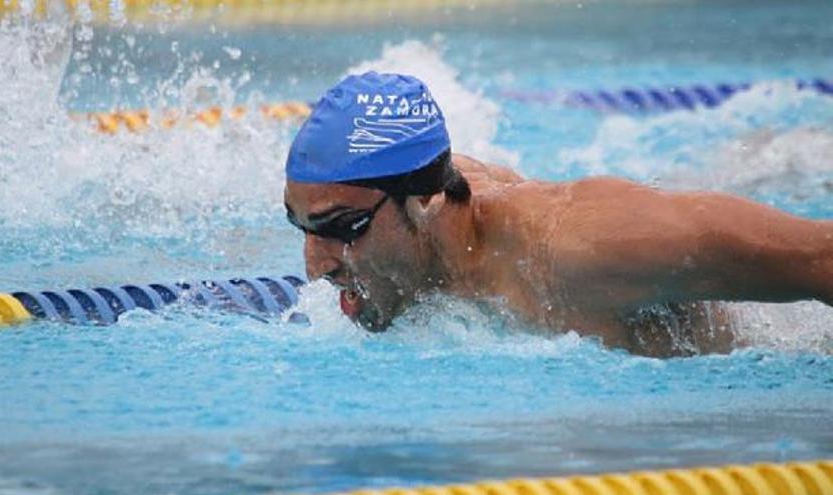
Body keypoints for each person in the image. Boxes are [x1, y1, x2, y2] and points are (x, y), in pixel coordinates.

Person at [283, 71, 833, 357]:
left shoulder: (581, 249)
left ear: (425, 201)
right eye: (302, 226)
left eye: (342, 229)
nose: (316, 266)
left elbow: (821, 256)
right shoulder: (407, 215)